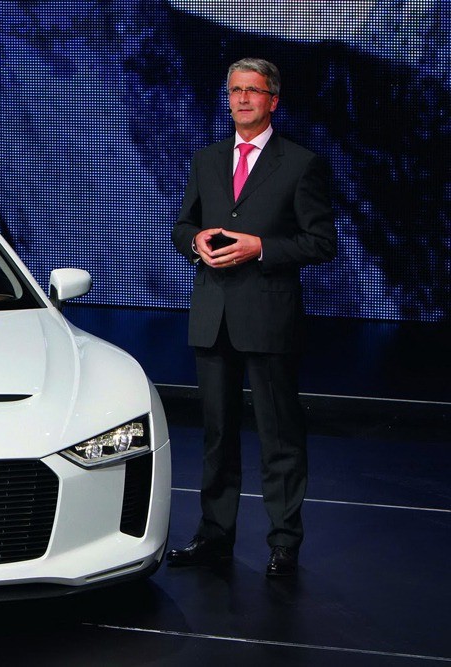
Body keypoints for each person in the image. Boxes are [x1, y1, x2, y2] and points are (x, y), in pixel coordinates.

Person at [169, 58, 337, 577]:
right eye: (235, 90)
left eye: (253, 91)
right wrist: (195, 241)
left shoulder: (301, 163)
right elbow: (183, 225)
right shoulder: (207, 159)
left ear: (273, 101)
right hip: (213, 316)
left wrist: (261, 247)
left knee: (278, 437)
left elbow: (321, 242)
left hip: (268, 318)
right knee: (217, 435)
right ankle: (214, 536)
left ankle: (284, 542)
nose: (242, 99)